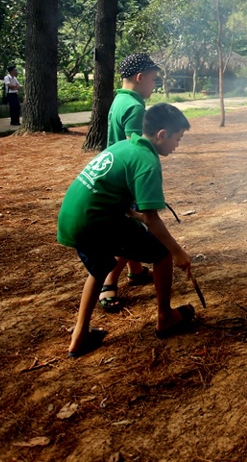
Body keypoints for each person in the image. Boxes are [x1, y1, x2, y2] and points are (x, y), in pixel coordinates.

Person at [59, 102, 195, 358]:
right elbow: (154, 221)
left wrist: (133, 215)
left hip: (72, 216)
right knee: (162, 254)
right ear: (162, 135)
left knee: (100, 268)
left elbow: (112, 192)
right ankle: (166, 318)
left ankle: (79, 337)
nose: (178, 145)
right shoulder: (147, 162)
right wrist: (178, 252)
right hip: (95, 221)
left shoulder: (124, 145)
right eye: (178, 138)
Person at [98, 52, 162, 312]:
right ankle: (108, 281)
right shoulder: (135, 106)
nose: (154, 85)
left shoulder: (120, 99)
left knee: (130, 229)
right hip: (127, 178)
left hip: (115, 173)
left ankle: (135, 272)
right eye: (153, 79)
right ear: (140, 76)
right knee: (134, 233)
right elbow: (135, 150)